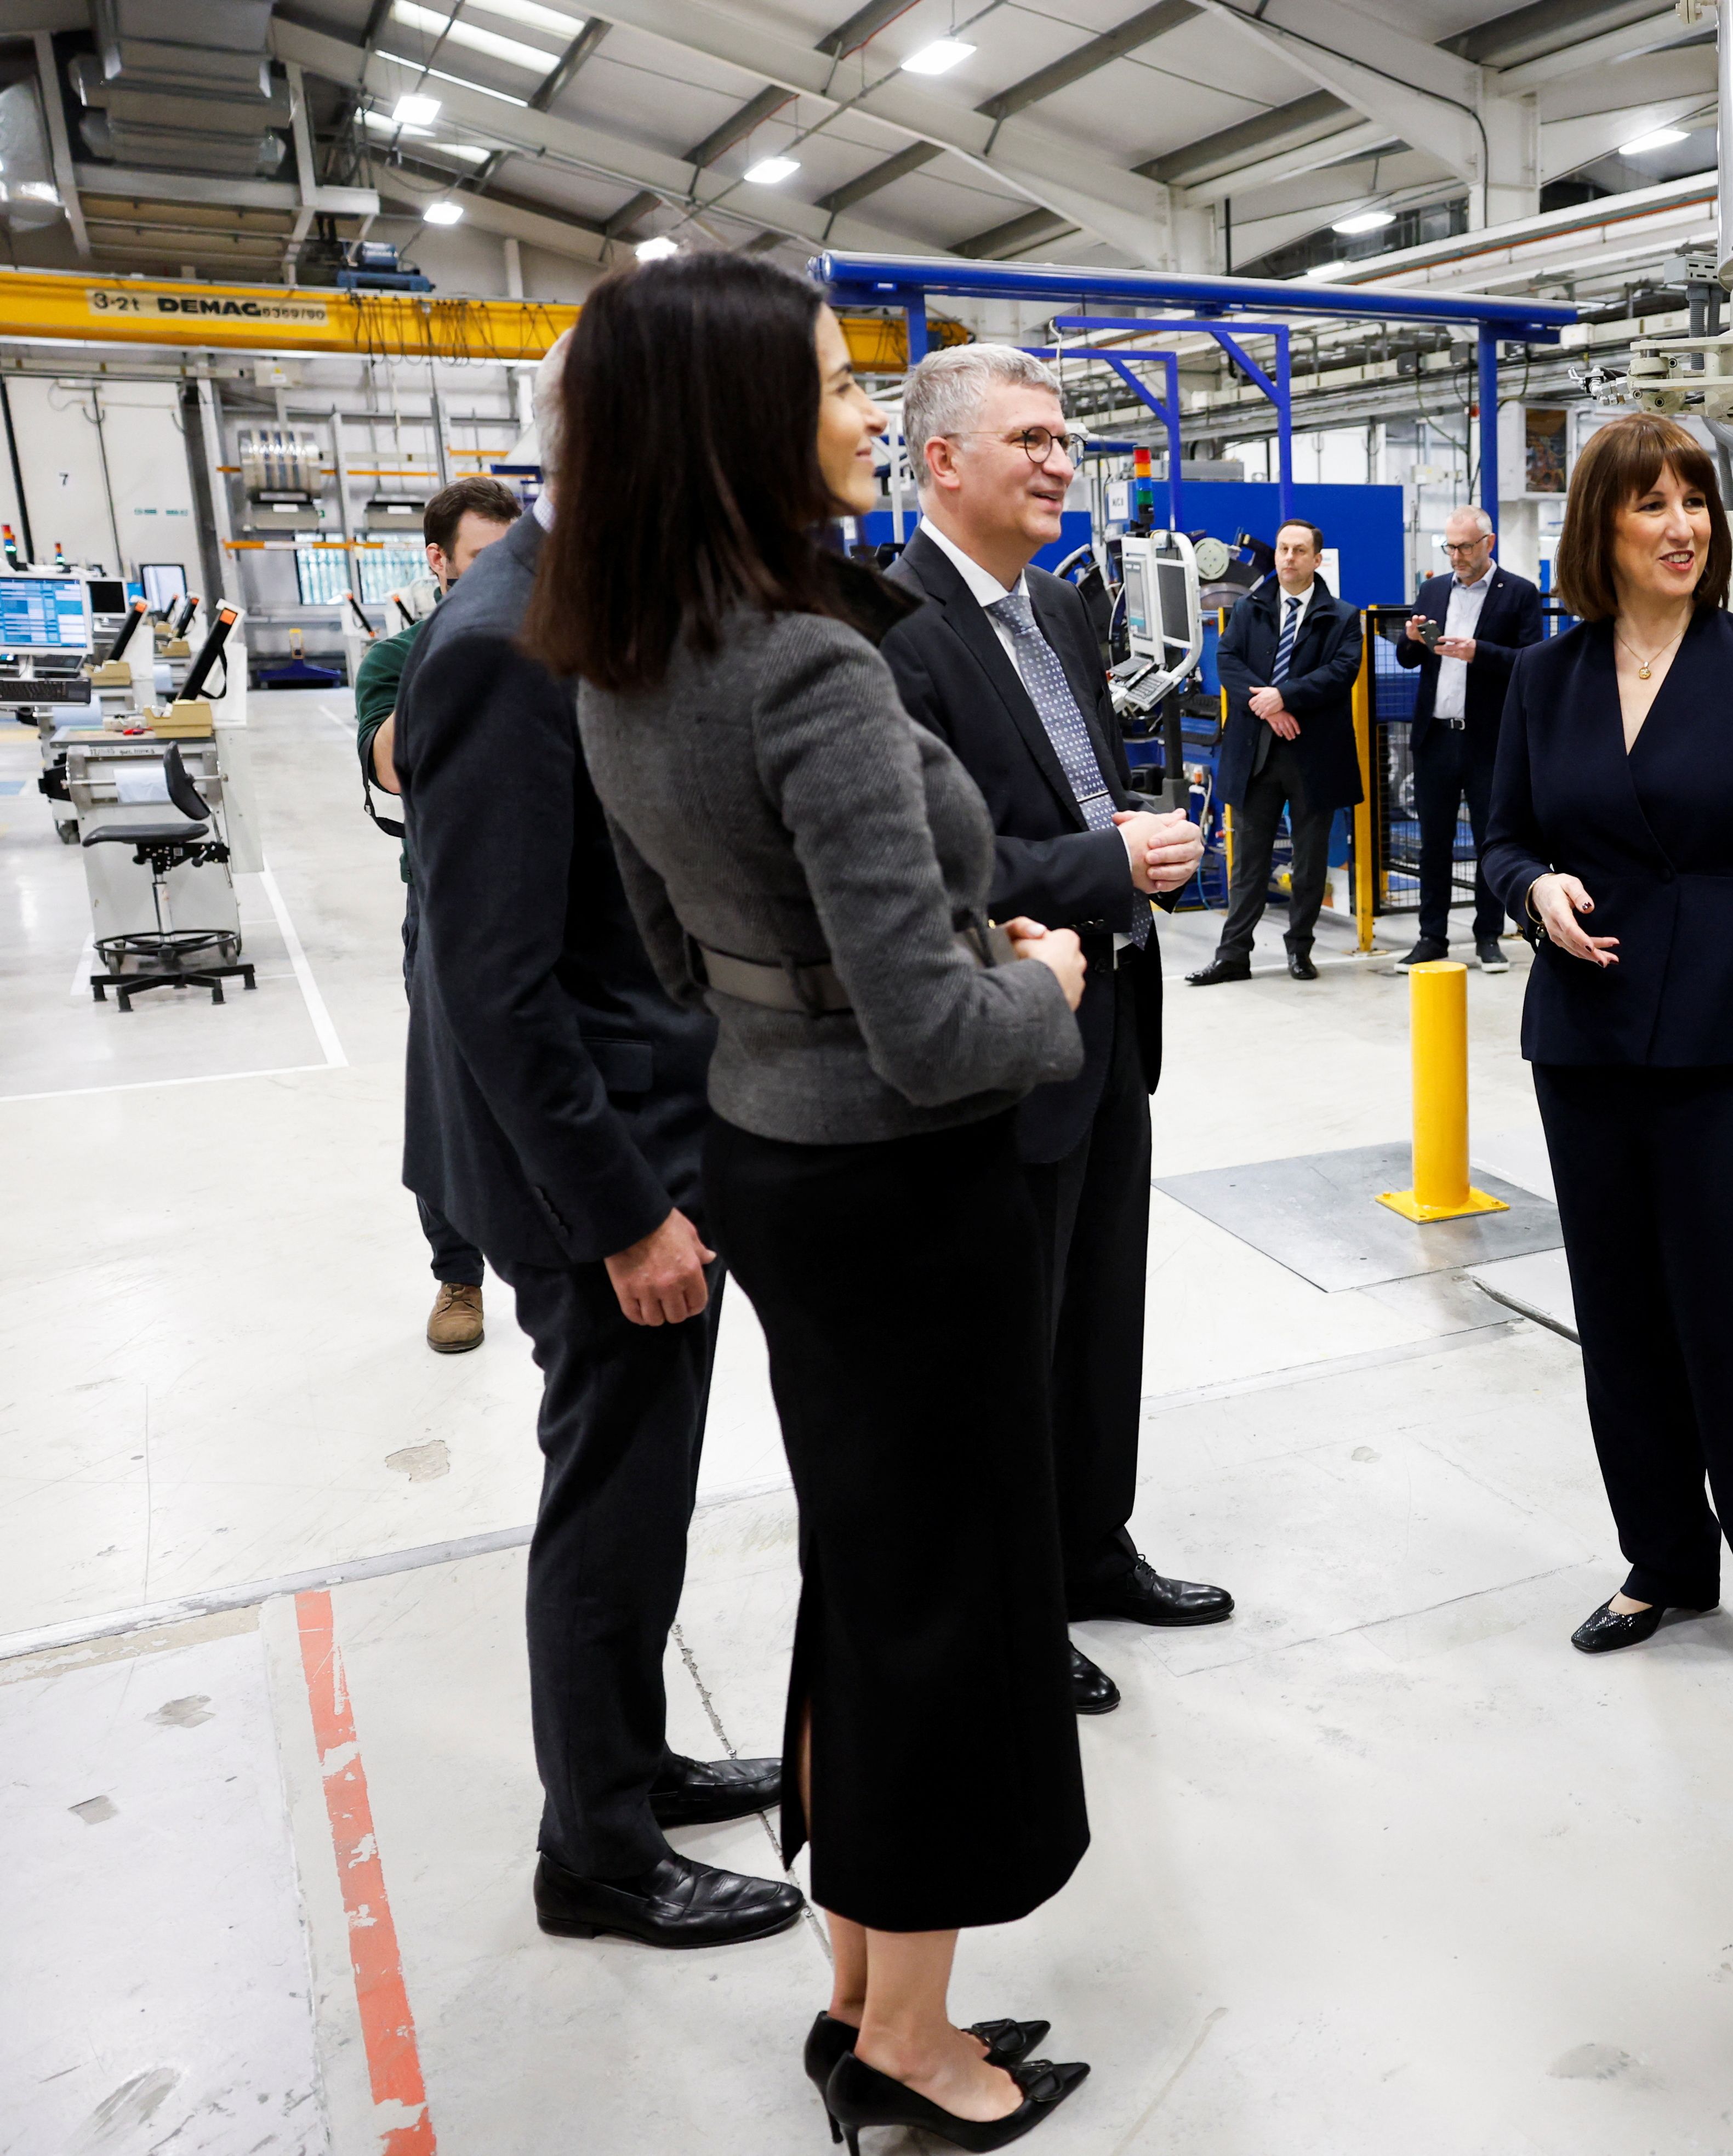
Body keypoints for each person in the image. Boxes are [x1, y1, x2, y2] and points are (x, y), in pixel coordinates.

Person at [537, 252, 1096, 2153]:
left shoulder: (625, 653)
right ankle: (914, 2050)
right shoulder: (806, 665)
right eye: (841, 388)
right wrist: (1044, 982)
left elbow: (673, 957)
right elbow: (945, 1036)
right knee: (944, 1603)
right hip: (905, 1189)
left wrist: (844, 990)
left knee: (869, 1585)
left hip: (775, 1151)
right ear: (738, 422)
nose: (867, 416)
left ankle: (864, 1981)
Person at [394, 351, 799, 1959]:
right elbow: (492, 983)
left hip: (648, 1135)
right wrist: (627, 1214)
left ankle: (630, 1773)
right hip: (598, 1171)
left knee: (650, 1494)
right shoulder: (502, 644)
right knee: (612, 1503)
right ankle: (600, 1857)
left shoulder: (581, 596)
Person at [1479, 411, 1733, 1698]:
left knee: (1727, 1317)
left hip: (1714, 1029)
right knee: (1618, 1317)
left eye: (1693, 502)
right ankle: (1661, 1557)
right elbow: (1495, 838)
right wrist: (1530, 883)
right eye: (1649, 504)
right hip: (1584, 1032)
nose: (1680, 526)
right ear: (1598, 524)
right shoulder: (1543, 677)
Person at [879, 342, 1235, 1720]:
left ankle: (1093, 1546)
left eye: (1063, 440)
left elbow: (1067, 791)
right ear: (941, 462)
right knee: (1007, 1345)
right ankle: (1016, 1603)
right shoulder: (893, 632)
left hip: (1109, 1025)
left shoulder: (1062, 614)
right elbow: (921, 866)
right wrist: (1106, 863)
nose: (1055, 460)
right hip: (1002, 1034)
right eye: (1024, 438)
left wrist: (1126, 844)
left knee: (1098, 1316)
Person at [357, 473, 520, 1353]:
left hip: (549, 902)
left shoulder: (551, 642)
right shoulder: (397, 659)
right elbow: (391, 766)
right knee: (450, 1096)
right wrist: (445, 644)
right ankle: (458, 1275)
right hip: (449, 910)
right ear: (439, 563)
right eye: (487, 562)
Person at [1190, 519, 1359, 984]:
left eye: (1299, 550)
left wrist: (1285, 697)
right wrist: (1268, 707)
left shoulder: (1342, 616)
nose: (1288, 557)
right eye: (1284, 549)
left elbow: (1342, 672)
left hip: (1314, 757)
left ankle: (1300, 951)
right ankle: (1233, 956)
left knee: (1308, 865)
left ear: (1317, 559)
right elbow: (1228, 661)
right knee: (1248, 862)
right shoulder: (1250, 608)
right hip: (1256, 755)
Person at [1392, 505, 1542, 973]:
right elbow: (1406, 659)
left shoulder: (1519, 593)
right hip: (1437, 736)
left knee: (1489, 842)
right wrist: (1413, 638)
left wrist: (1481, 653)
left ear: (1488, 544)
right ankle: (1431, 936)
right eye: (1450, 546)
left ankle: (1488, 936)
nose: (1456, 555)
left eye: (1465, 547)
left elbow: (1533, 661)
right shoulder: (1434, 589)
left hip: (1489, 741)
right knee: (1432, 842)